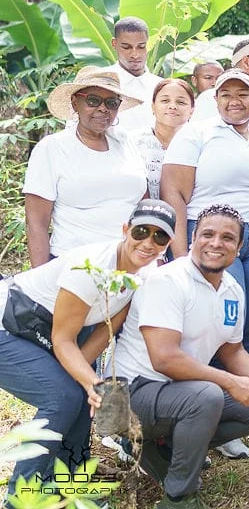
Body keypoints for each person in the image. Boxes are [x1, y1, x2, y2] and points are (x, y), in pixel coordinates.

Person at [111, 204, 249, 509]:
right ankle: (178, 498)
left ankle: (164, 450)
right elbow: (164, 359)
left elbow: (231, 350)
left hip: (175, 395)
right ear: (193, 237)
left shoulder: (232, 290)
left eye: (227, 237)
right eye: (207, 234)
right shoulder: (168, 280)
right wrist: (230, 381)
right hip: (128, 397)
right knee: (206, 396)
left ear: (238, 247)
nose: (216, 243)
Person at [0, 199, 175, 494]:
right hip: (9, 325)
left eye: (159, 236)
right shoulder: (90, 267)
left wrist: (90, 386)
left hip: (41, 332)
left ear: (168, 244)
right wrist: (91, 381)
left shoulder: (143, 276)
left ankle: (70, 486)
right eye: (141, 231)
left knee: (81, 396)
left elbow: (104, 333)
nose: (148, 242)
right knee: (62, 396)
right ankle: (22, 495)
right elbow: (63, 339)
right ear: (125, 230)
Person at [160, 70, 249, 379]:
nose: (234, 101)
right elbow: (173, 194)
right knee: (224, 325)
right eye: (226, 94)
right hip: (215, 237)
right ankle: (210, 399)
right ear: (214, 100)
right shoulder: (196, 133)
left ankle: (239, 407)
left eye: (243, 94)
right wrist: (180, 258)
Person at [24, 67, 148, 267]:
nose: (103, 108)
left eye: (111, 102)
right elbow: (36, 223)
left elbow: (144, 204)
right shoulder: (53, 148)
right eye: (93, 100)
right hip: (75, 264)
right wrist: (40, 277)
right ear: (75, 102)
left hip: (129, 262)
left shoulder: (125, 142)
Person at [131, 79, 196, 200]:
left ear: (192, 111)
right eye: (165, 101)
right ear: (153, 107)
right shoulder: (132, 143)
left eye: (181, 102)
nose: (172, 106)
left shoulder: (200, 145)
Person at [107, 17, 163, 132]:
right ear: (114, 43)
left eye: (141, 46)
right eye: (126, 47)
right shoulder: (100, 81)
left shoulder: (161, 86)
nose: (135, 54)